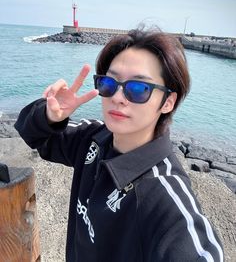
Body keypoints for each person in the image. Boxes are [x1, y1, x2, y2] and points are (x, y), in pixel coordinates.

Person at [15, 27, 223, 262]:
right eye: (109, 84)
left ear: (168, 102)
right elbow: (38, 136)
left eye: (138, 88)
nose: (117, 97)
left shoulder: (163, 193)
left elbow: (199, 249)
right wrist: (51, 116)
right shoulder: (93, 137)